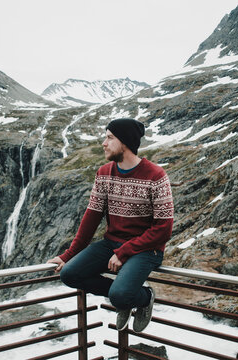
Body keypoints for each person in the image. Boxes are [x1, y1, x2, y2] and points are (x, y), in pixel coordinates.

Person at [47, 118, 174, 332]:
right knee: (69, 274)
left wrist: (125, 251)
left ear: (124, 142)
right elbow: (91, 218)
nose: (104, 143)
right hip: (111, 244)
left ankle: (142, 297)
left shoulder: (156, 176)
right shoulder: (104, 173)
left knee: (119, 295)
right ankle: (128, 298)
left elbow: (163, 229)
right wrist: (68, 255)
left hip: (146, 249)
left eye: (109, 138)